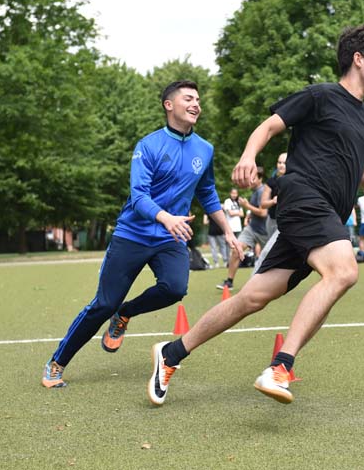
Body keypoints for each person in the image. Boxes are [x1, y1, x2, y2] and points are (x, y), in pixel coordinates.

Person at [146, 23, 364, 406]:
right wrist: (248, 156)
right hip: (304, 198)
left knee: (252, 298)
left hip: (323, 217)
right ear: (358, 59)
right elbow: (269, 126)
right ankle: (280, 367)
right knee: (343, 271)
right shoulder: (320, 96)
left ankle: (172, 352)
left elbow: (362, 173)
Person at [41, 80, 242, 388]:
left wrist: (228, 231)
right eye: (189, 99)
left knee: (175, 288)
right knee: (103, 304)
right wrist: (166, 218)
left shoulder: (205, 149)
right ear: (169, 105)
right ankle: (57, 362)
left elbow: (207, 192)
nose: (196, 104)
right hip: (133, 234)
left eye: (198, 100)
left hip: (170, 238)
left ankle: (125, 313)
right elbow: (139, 196)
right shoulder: (148, 146)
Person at [217, 168, 268, 290]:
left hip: (265, 231)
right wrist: (249, 215)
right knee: (236, 249)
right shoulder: (254, 191)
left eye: (254, 178)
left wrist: (247, 206)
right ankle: (229, 282)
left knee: (272, 259)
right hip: (252, 228)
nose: (251, 180)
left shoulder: (262, 191)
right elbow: (256, 210)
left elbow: (263, 213)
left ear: (260, 179)